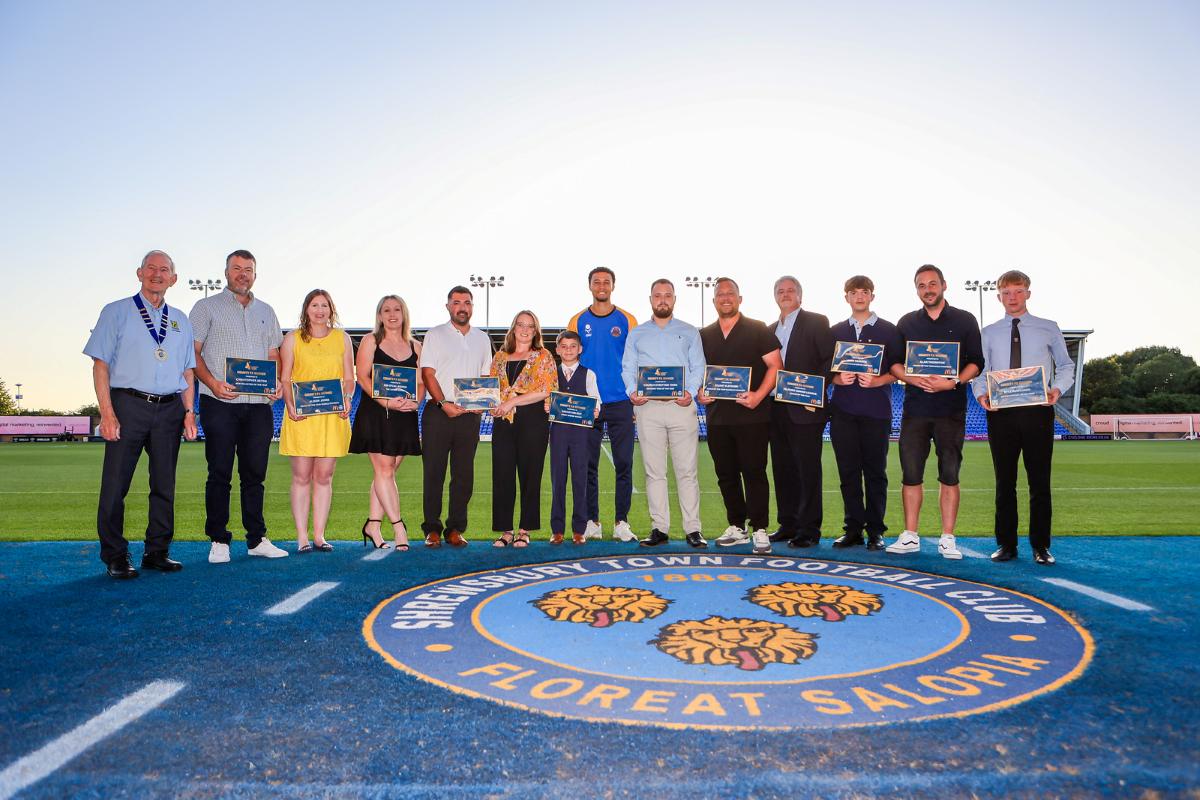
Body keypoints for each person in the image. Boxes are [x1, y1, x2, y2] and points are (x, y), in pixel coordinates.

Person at [83, 249, 198, 579]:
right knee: (116, 484)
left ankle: (157, 551)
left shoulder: (180, 319)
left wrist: (189, 413)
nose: (157, 274)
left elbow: (188, 371)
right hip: (128, 405)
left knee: (164, 484)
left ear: (173, 279)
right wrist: (107, 413)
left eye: (164, 270)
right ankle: (115, 555)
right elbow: (100, 365)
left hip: (170, 409)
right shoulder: (116, 312)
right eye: (151, 268)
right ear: (139, 273)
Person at [190, 249, 288, 563]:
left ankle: (256, 538)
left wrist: (276, 383)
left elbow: (274, 353)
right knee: (219, 472)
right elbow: (192, 353)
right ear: (227, 272)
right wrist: (213, 382)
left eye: (248, 269)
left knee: (254, 474)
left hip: (258, 404)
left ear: (255, 275)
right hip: (219, 400)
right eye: (237, 268)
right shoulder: (205, 307)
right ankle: (219, 539)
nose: (242, 274)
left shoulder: (267, 311)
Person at [975, 270, 1074, 565]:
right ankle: (1006, 545)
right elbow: (982, 371)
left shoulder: (1048, 327)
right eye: (1006, 293)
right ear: (998, 297)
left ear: (1028, 293)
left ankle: (1041, 546)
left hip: (1037, 413)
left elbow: (1067, 366)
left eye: (1017, 291)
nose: (1012, 298)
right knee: (1004, 482)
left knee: (1039, 483)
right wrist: (981, 395)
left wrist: (1056, 389)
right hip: (1001, 414)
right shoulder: (988, 332)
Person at [886, 264, 984, 560]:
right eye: (921, 285)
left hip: (950, 409)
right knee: (911, 474)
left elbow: (976, 362)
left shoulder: (965, 320)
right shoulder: (906, 322)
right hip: (915, 410)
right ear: (917, 289)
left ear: (944, 285)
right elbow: (893, 363)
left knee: (949, 475)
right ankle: (910, 535)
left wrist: (951, 382)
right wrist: (909, 378)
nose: (927, 289)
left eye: (932, 283)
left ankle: (947, 537)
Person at [698, 278, 783, 556]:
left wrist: (758, 395)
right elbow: (697, 371)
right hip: (718, 418)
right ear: (714, 301)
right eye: (720, 294)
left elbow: (776, 366)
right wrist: (700, 392)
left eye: (730, 294)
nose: (725, 298)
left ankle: (760, 528)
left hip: (752, 417)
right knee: (726, 475)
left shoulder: (757, 329)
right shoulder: (704, 334)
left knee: (754, 472)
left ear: (740, 299)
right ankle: (736, 526)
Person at [621, 279, 707, 548]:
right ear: (650, 300)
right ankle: (660, 528)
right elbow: (628, 366)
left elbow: (698, 366)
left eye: (667, 295)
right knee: (654, 472)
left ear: (674, 299)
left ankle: (693, 529)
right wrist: (632, 391)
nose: (662, 300)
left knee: (687, 471)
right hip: (648, 408)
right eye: (658, 295)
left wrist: (690, 392)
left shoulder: (690, 331)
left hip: (681, 408)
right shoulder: (637, 333)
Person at [827, 276, 901, 551]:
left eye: (864, 292)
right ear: (846, 297)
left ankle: (876, 531)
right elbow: (824, 369)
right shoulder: (834, 332)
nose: (859, 296)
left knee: (875, 473)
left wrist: (879, 381)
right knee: (848, 472)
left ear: (872, 296)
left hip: (876, 412)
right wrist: (835, 379)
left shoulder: (889, 330)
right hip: (843, 411)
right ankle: (853, 529)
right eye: (853, 292)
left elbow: (900, 368)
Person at [279, 289, 354, 553]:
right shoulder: (292, 339)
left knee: (324, 476)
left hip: (332, 416)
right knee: (301, 477)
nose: (320, 310)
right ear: (306, 309)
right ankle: (302, 538)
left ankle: (320, 536)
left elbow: (348, 378)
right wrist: (290, 405)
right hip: (303, 416)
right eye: (314, 305)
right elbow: (285, 377)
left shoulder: (342, 339)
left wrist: (347, 399)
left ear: (331, 310)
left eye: (324, 305)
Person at [568, 267, 639, 542]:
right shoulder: (577, 320)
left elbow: (636, 357)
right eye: (596, 281)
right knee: (588, 466)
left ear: (613, 286)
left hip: (621, 400)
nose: (601, 286)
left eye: (606, 282)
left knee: (624, 463)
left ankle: (622, 521)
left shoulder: (628, 319)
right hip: (588, 402)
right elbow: (570, 358)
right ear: (589, 286)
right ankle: (591, 521)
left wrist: (636, 394)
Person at [419, 286, 493, 547]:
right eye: (457, 302)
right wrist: (442, 403)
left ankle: (455, 528)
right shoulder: (435, 334)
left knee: (463, 475)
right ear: (448, 306)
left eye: (467, 302)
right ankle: (432, 529)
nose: (462, 307)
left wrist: (482, 402)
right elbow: (427, 373)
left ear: (472, 307)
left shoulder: (483, 339)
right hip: (439, 412)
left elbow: (485, 377)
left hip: (468, 415)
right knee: (434, 473)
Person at [765, 276, 835, 550]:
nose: (785, 294)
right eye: (780, 291)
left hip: (805, 409)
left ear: (800, 295)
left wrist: (813, 393)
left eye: (790, 290)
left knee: (807, 470)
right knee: (782, 470)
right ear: (775, 297)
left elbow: (830, 358)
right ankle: (788, 523)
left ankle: (808, 529)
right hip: (776, 408)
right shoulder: (769, 330)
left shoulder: (816, 322)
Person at [350, 295, 424, 551]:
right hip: (376, 413)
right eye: (386, 310)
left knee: (387, 472)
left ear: (404, 314)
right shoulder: (372, 341)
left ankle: (372, 523)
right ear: (379, 315)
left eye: (396, 310)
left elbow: (422, 381)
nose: (392, 314)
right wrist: (385, 403)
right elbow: (362, 376)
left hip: (404, 415)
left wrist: (417, 401)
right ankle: (398, 527)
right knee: (384, 470)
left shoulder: (416, 346)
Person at [489, 311, 557, 547]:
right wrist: (491, 405)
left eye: (530, 326)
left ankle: (524, 529)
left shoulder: (544, 356)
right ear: (513, 327)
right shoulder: (499, 357)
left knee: (530, 475)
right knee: (502, 475)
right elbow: (491, 389)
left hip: (533, 419)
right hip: (504, 421)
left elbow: (547, 389)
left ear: (536, 331)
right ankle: (505, 530)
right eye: (521, 325)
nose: (525, 330)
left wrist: (512, 401)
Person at [546, 330, 601, 545]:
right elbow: (546, 397)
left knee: (580, 481)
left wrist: (595, 409)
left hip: (581, 434)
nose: (568, 350)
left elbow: (596, 400)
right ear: (557, 350)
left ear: (580, 349)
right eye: (564, 346)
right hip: (558, 433)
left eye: (573, 346)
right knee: (558, 481)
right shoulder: (551, 373)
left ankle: (579, 529)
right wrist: (546, 404)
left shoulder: (589, 374)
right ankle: (557, 529)